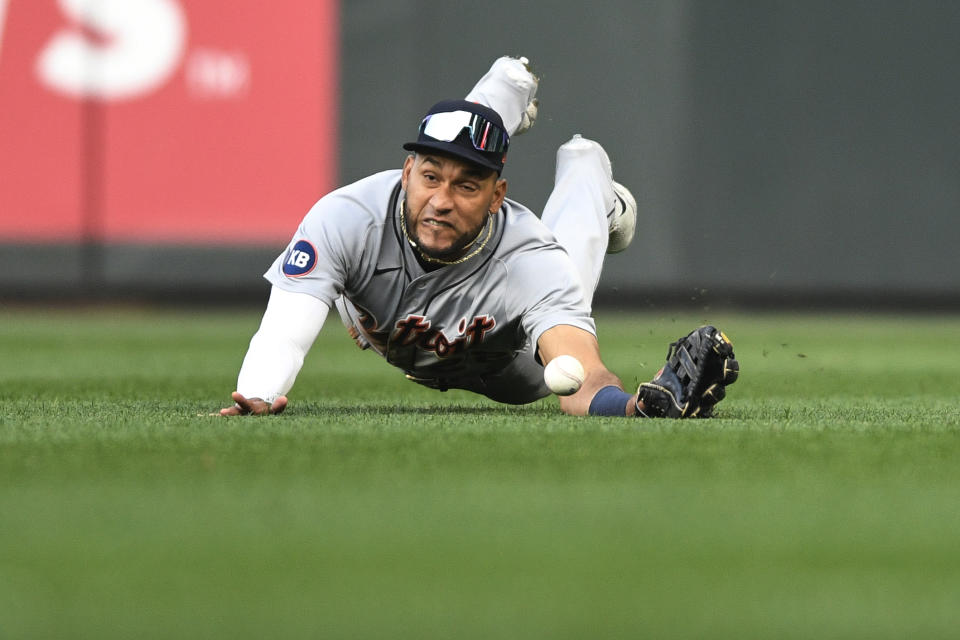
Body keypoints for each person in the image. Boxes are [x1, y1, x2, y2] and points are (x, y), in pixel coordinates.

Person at [220, 56, 737, 419]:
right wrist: (258, 392)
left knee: (578, 172)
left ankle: (598, 190)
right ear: (405, 172)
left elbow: (582, 377)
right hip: (410, 332)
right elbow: (282, 335)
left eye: (469, 185)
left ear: (498, 196)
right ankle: (506, 90)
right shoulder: (347, 217)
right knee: (467, 137)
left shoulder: (533, 259)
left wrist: (636, 406)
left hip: (510, 365)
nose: (442, 198)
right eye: (428, 177)